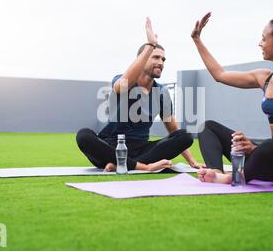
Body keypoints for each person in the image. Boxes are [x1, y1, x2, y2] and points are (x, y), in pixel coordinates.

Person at [191, 10, 273, 185]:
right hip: (270, 154)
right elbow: (220, 75)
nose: (260, 43)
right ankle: (215, 172)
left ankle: (233, 177)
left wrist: (254, 149)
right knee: (208, 128)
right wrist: (197, 41)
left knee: (268, 146)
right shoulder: (265, 77)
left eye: (264, 38)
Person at [77, 18, 202, 172]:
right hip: (112, 145)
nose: (161, 62)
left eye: (163, 59)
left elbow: (173, 130)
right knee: (84, 136)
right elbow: (121, 88)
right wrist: (150, 46)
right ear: (142, 59)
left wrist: (192, 161)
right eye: (156, 57)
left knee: (185, 136)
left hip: (142, 149)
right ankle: (141, 166)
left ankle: (122, 164)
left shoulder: (161, 92)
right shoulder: (123, 79)